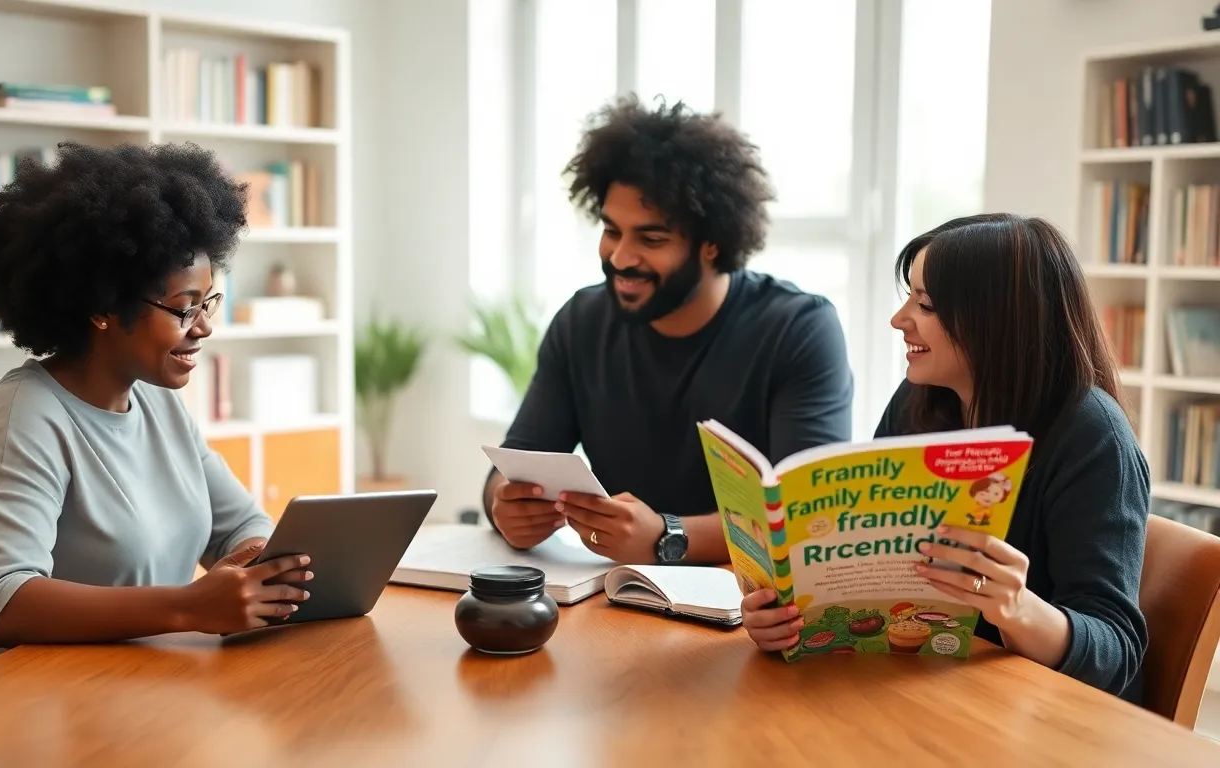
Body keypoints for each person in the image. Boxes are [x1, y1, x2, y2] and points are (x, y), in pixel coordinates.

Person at [0, 142, 312, 685]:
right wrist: (189, 607)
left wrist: (254, 564)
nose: (202, 327)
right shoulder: (26, 416)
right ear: (104, 308)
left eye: (208, 303)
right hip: (7, 711)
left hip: (128, 690)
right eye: (183, 308)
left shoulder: (159, 403)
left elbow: (242, 526)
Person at [739, 213, 1149, 703]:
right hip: (920, 686)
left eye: (926, 303)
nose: (899, 319)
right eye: (908, 295)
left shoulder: (1093, 435)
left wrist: (1017, 607)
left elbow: (1115, 653)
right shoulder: (920, 402)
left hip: (1036, 716)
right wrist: (783, 618)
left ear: (997, 320)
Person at [483, 95, 853, 566]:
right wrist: (507, 505)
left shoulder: (797, 329)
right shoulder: (581, 323)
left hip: (748, 606)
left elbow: (809, 516)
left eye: (651, 239)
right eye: (612, 230)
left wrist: (667, 536)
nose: (619, 257)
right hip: (618, 598)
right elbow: (513, 465)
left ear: (713, 245)